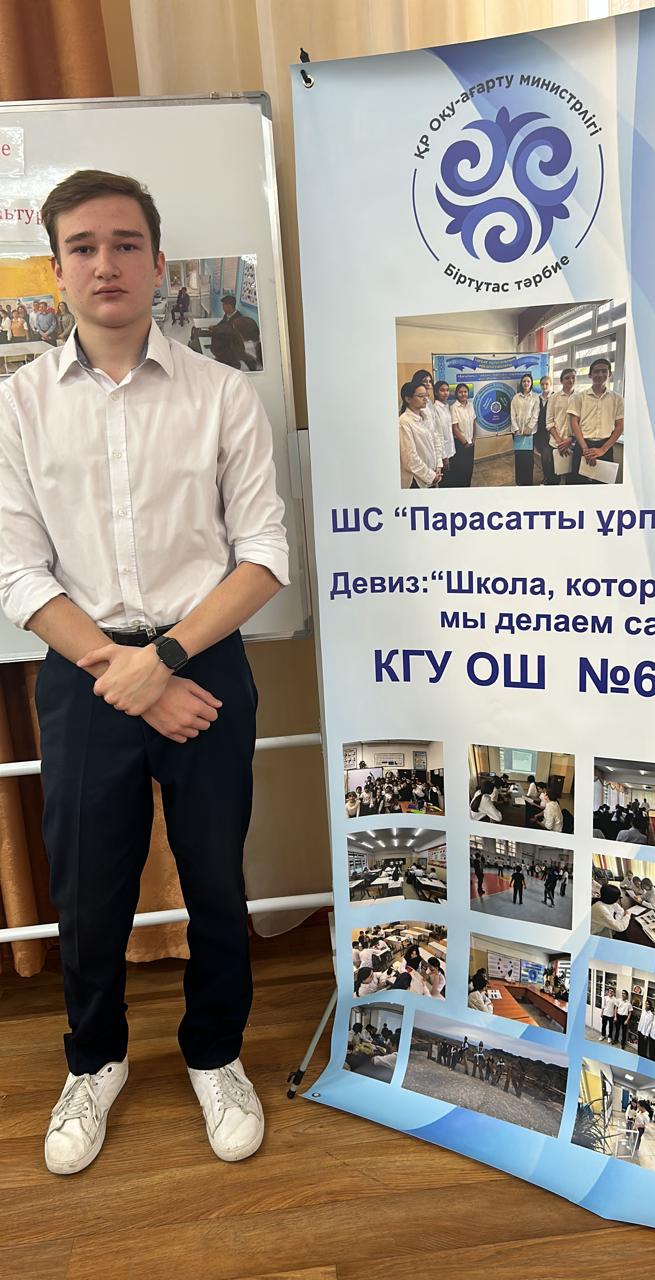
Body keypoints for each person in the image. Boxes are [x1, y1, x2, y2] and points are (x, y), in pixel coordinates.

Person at [0, 170, 289, 1176]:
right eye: (82, 247)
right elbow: (17, 570)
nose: (105, 263)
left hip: (203, 662)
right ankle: (95, 1058)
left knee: (214, 874)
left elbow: (264, 554)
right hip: (83, 673)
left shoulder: (222, 394)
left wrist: (163, 660)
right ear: (56, 269)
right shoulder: (19, 405)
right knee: (88, 888)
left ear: (159, 263)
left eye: (125, 244)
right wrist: (123, 670)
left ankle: (215, 1050)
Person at [568, 357, 624, 484]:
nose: (600, 374)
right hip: (583, 445)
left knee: (602, 486)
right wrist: (585, 449)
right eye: (596, 371)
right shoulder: (579, 397)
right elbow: (574, 423)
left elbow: (620, 426)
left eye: (604, 371)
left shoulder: (617, 399)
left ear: (610, 374)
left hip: (605, 446)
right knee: (577, 483)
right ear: (590, 375)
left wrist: (602, 450)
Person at [399, 380, 441, 489]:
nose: (426, 398)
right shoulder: (404, 422)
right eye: (421, 396)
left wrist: (438, 465)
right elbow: (410, 459)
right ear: (408, 399)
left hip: (433, 472)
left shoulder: (425, 416)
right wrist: (431, 476)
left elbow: (435, 440)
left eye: (426, 395)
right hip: (417, 479)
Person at [544, 367, 576, 484]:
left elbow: (582, 422)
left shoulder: (580, 397)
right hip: (555, 444)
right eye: (567, 378)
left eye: (573, 377)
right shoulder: (554, 397)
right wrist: (560, 442)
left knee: (571, 478)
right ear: (561, 381)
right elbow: (549, 422)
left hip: (573, 444)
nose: (570, 380)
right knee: (553, 478)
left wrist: (571, 439)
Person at [509, 373, 539, 486]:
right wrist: (516, 429)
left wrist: (529, 427)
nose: (526, 383)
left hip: (529, 433)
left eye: (528, 381)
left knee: (528, 459)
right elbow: (512, 414)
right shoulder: (516, 397)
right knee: (519, 458)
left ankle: (528, 482)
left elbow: (535, 414)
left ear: (531, 383)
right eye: (524, 381)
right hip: (517, 433)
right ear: (521, 383)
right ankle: (519, 482)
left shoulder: (535, 397)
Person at [448, 382, 475, 486]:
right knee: (462, 469)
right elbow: (455, 428)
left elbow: (473, 422)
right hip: (461, 444)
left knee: (469, 468)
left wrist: (473, 439)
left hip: (471, 443)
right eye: (460, 392)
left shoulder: (470, 405)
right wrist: (465, 443)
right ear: (456, 393)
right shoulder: (453, 407)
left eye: (465, 392)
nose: (463, 394)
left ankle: (468, 485)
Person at [432, 379, 454, 483]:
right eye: (442, 390)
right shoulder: (435, 409)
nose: (446, 393)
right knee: (446, 481)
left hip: (451, 450)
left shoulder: (446, 406)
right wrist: (444, 457)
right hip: (443, 453)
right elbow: (438, 435)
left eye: (447, 390)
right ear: (436, 392)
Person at [535, 373, 552, 480]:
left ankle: (549, 478)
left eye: (546, 384)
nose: (544, 386)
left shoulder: (555, 397)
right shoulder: (537, 398)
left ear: (550, 384)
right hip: (539, 433)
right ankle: (547, 477)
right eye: (542, 384)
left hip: (551, 432)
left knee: (548, 457)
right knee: (544, 457)